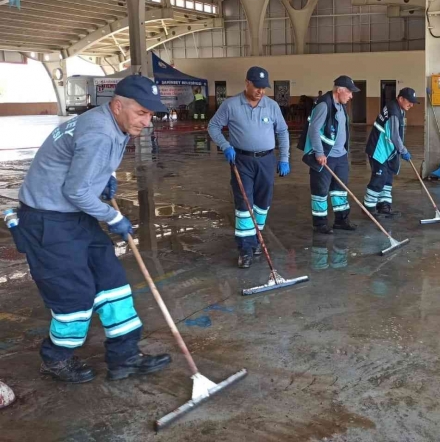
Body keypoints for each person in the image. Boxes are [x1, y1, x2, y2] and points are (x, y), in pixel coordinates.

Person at [11, 74, 172, 383]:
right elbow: (77, 192)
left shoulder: (113, 122)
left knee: (112, 283)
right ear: (117, 105)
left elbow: (84, 175)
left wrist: (103, 178)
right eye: (142, 113)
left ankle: (124, 357)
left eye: (151, 114)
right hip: (49, 221)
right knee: (74, 297)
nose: (147, 121)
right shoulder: (99, 132)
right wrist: (113, 218)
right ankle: (55, 359)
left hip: (75, 216)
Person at [208, 66, 290, 269]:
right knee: (245, 205)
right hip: (241, 161)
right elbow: (213, 126)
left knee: (262, 203)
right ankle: (245, 249)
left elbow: (283, 132)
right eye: (257, 87)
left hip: (266, 161)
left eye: (264, 87)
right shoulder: (231, 105)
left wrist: (284, 158)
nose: (261, 91)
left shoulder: (271, 106)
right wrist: (225, 146)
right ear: (247, 83)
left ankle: (255, 239)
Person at [298, 76, 360, 234]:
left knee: (340, 189)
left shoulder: (340, 105)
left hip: (340, 156)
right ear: (339, 90)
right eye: (349, 92)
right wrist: (319, 152)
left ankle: (341, 220)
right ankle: (320, 224)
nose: (351, 96)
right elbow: (313, 130)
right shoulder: (324, 105)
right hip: (325, 156)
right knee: (321, 190)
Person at [363, 87, 418, 217]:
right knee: (379, 178)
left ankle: (384, 206)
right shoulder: (394, 112)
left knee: (387, 179)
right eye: (409, 101)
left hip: (386, 151)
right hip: (378, 150)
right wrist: (403, 150)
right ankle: (368, 208)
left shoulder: (396, 108)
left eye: (413, 102)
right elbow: (394, 135)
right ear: (400, 99)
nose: (411, 104)